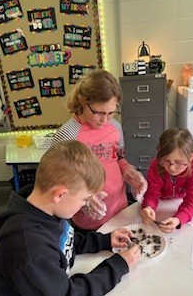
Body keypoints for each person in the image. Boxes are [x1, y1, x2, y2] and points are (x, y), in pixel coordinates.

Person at [0, 140, 141, 296]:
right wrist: (118, 266)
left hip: (53, 283)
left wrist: (105, 241)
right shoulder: (32, 250)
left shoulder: (46, 208)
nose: (85, 205)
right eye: (85, 199)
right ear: (60, 195)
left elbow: (65, 241)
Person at [52, 69, 147, 231]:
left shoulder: (115, 127)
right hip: (89, 219)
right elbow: (57, 182)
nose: (105, 120)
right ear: (82, 102)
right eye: (99, 113)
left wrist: (128, 170)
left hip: (120, 209)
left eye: (111, 113)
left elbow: (118, 157)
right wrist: (86, 198)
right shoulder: (68, 135)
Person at [141, 128, 193, 233]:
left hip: (178, 201)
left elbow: (192, 201)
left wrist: (178, 219)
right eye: (166, 160)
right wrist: (148, 207)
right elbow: (152, 193)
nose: (171, 167)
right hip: (161, 202)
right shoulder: (156, 165)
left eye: (178, 162)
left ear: (191, 157)